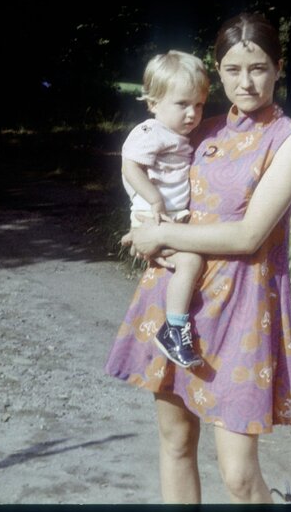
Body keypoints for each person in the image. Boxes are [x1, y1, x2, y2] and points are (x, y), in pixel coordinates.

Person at [105, 12, 291, 504]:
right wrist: (143, 226)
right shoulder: (201, 129)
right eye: (234, 69)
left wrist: (164, 232)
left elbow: (249, 235)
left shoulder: (289, 142)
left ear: (278, 69)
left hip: (243, 308)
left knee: (239, 476)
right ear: (218, 71)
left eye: (259, 68)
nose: (247, 81)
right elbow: (146, 174)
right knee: (176, 442)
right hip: (180, 302)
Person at [121, 50, 210, 368]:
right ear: (154, 103)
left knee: (190, 261)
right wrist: (155, 200)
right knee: (190, 260)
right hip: (153, 214)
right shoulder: (150, 132)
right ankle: (174, 328)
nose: (192, 113)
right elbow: (131, 167)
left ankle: (174, 321)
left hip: (168, 217)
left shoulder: (177, 134)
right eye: (182, 104)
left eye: (198, 105)